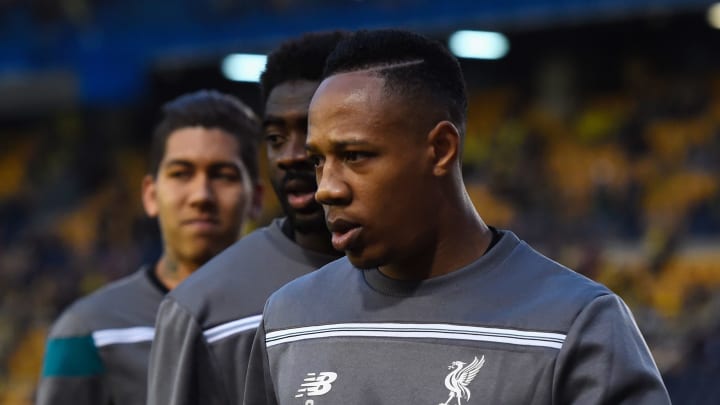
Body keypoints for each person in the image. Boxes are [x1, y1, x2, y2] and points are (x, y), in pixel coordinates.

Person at [243, 29, 672, 405]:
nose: (326, 188)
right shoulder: (288, 320)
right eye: (319, 161)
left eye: (355, 156)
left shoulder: (575, 326)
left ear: (441, 149)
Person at [146, 31, 345, 405]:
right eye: (274, 137)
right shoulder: (201, 309)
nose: (289, 155)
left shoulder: (430, 278)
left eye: (309, 129)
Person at [36, 89, 262, 405]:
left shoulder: (290, 316)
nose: (201, 195)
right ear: (150, 195)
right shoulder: (88, 331)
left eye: (223, 175)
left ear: (257, 198)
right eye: (181, 173)